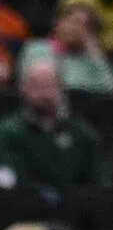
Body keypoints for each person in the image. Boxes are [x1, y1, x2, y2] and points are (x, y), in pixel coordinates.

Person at [0, 59, 101, 191]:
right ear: (23, 89)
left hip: (74, 201)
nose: (44, 93)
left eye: (50, 85)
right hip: (27, 200)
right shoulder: (9, 132)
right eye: (37, 86)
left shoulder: (80, 132)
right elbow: (11, 179)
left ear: (62, 88)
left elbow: (96, 179)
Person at [19, 3, 113, 95]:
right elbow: (28, 83)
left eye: (85, 26)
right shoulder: (36, 48)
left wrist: (94, 53)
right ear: (58, 23)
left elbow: (112, 89)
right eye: (74, 22)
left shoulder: (93, 58)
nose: (77, 29)